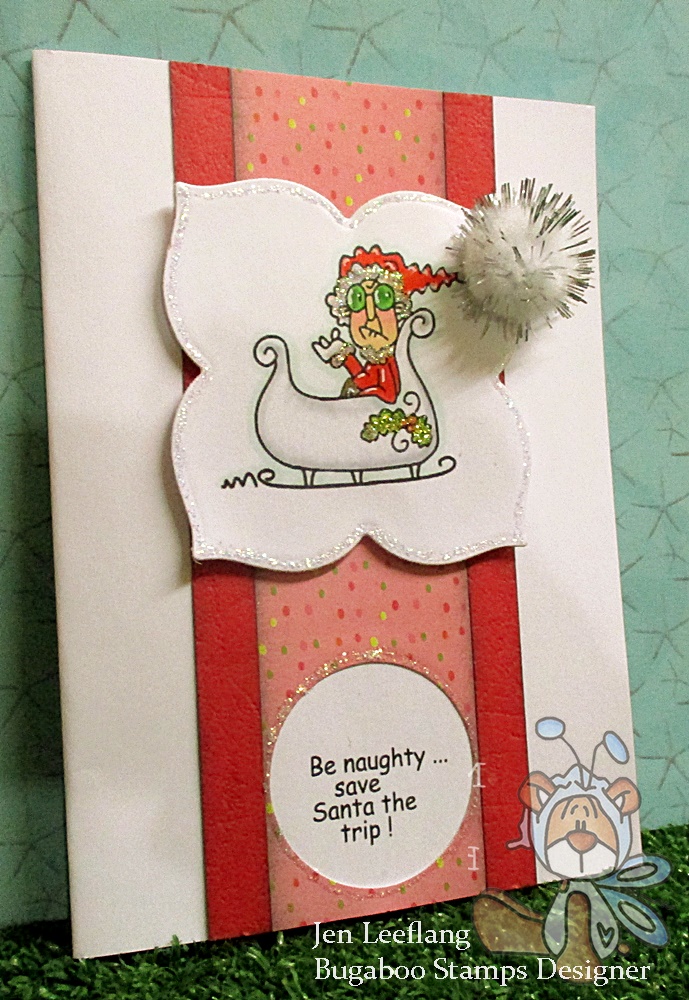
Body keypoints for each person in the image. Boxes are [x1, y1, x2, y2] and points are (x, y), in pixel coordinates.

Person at [313, 246, 455, 403]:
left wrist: (360, 393)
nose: (371, 315)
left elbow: (389, 394)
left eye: (383, 299)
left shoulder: (389, 360)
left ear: (398, 309)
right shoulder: (376, 359)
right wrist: (344, 356)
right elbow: (367, 377)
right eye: (357, 300)